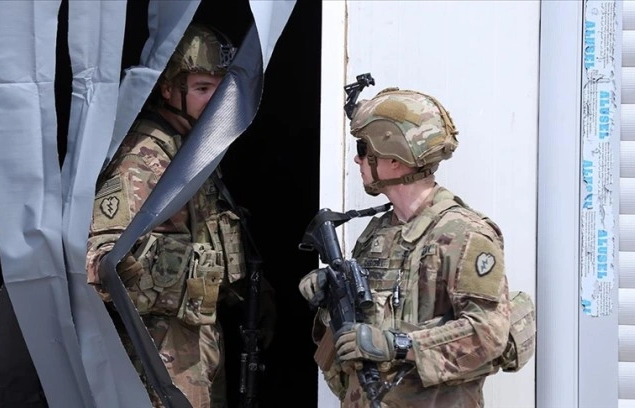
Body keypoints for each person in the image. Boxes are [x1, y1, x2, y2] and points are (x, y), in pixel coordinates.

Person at [86, 23, 274, 408]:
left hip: (197, 348)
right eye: (203, 88)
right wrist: (192, 273)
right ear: (168, 89)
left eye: (221, 89)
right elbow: (101, 266)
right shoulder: (144, 158)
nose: (215, 101)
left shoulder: (193, 149)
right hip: (160, 354)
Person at [298, 87, 511, 407]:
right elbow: (365, 323)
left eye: (363, 148)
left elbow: (488, 336)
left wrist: (396, 345)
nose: (357, 158)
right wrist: (330, 294)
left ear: (395, 159)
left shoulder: (464, 235)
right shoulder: (379, 232)